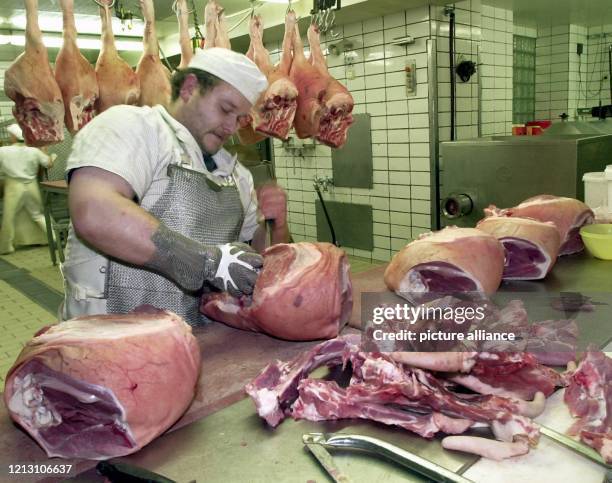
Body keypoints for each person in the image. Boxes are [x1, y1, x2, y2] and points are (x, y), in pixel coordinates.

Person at [62, 47, 290, 324]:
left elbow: (255, 263)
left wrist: (275, 224)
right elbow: (95, 211)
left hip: (196, 343)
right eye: (225, 109)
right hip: (109, 337)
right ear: (189, 88)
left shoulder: (236, 174)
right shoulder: (133, 127)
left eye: (240, 118)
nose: (231, 127)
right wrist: (206, 262)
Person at [0, 124, 54, 255]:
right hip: (31, 185)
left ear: (13, 137)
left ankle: (6, 247)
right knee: (38, 214)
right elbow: (48, 163)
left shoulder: (3, 151)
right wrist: (47, 153)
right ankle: (53, 238)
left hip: (14, 187)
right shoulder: (33, 151)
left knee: (9, 217)